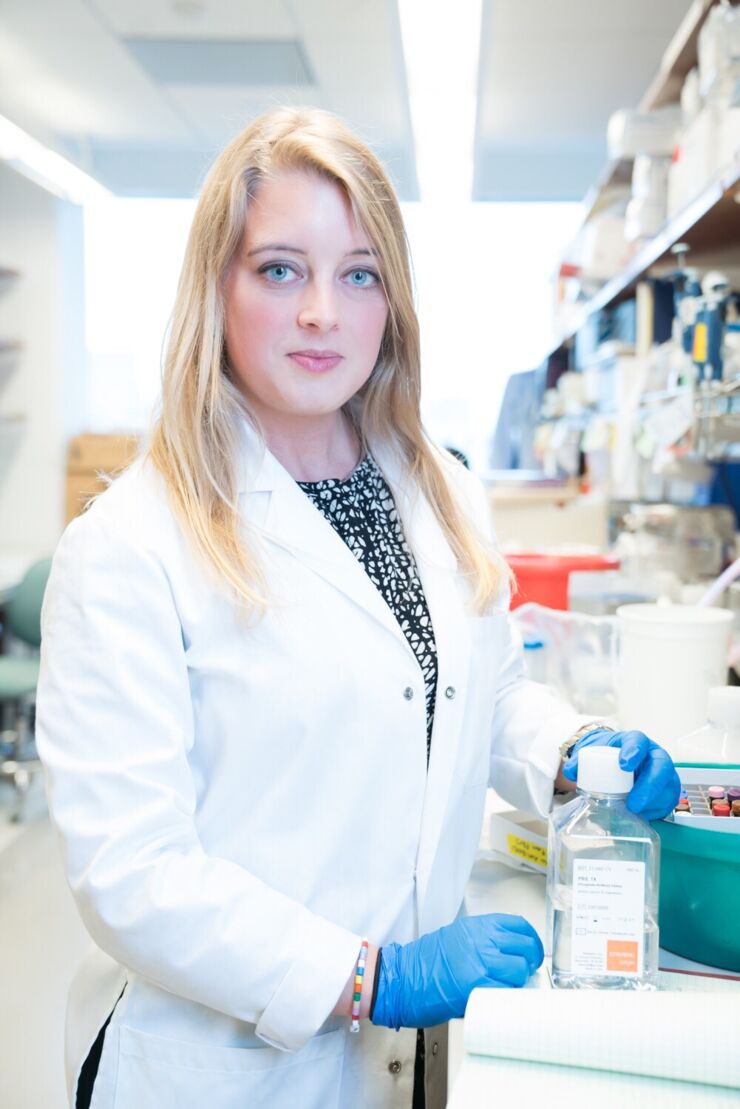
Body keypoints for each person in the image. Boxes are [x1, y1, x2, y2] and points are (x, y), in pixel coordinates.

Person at [36, 107, 680, 1109]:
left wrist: (571, 749)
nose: (321, 315)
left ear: (393, 303)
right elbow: (135, 873)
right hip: (225, 1070)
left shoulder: (440, 491)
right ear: (218, 286)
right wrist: (370, 976)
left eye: (359, 274)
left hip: (405, 1066)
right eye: (280, 269)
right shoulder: (128, 548)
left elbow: (479, 689)